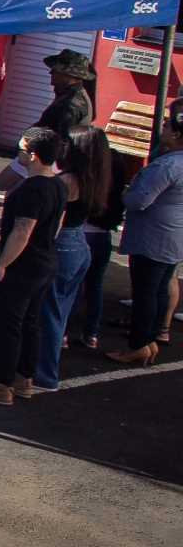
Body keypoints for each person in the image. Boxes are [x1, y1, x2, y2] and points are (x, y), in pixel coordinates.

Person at [0, 129, 68, 405]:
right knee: (31, 322)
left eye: (21, 149)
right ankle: (24, 378)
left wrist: (3, 262)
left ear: (33, 155)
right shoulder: (58, 185)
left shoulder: (32, 189)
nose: (17, 153)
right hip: (45, 260)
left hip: (24, 265)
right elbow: (59, 222)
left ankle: (1, 384)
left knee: (9, 324)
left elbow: (23, 229)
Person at [25, 126, 103, 391]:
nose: (63, 147)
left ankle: (44, 373)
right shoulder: (94, 177)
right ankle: (43, 368)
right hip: (79, 244)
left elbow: (54, 223)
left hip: (63, 245)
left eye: (69, 143)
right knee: (59, 312)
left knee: (48, 314)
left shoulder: (66, 181)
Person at [112, 110, 183, 366]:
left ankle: (139, 343)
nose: (163, 130)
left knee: (146, 292)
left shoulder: (167, 165)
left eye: (167, 127)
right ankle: (150, 339)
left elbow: (138, 200)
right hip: (173, 234)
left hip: (154, 236)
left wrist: (124, 194)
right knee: (159, 289)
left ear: (176, 135)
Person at [69, 126, 120, 352]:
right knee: (94, 286)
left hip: (81, 234)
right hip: (103, 237)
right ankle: (91, 333)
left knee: (72, 288)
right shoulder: (112, 167)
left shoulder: (78, 174)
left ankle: (63, 333)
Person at [36, 48, 96, 135]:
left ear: (68, 74)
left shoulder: (70, 104)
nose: (51, 72)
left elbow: (57, 139)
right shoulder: (68, 94)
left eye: (56, 69)